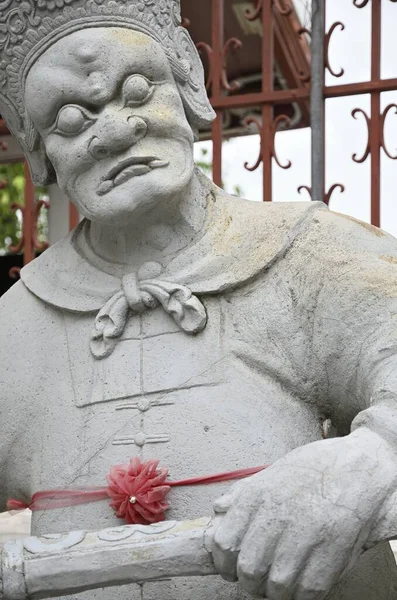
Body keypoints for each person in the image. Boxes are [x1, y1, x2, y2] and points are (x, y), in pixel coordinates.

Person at [1, 2, 397, 599]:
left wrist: (371, 458)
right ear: (38, 150)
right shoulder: (15, 325)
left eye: (136, 90)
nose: (114, 131)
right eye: (72, 118)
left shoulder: (310, 253)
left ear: (187, 78)